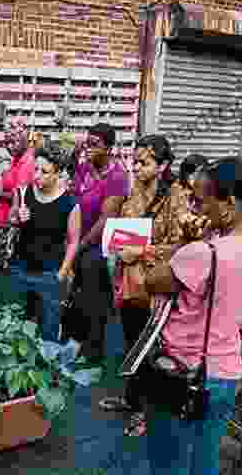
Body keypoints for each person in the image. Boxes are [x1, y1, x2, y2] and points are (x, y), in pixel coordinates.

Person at [140, 157, 242, 475]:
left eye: (202, 200)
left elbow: (152, 279)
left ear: (230, 203)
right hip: (225, 373)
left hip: (185, 374)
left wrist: (187, 242)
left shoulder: (202, 253)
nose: (196, 208)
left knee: (168, 462)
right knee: (204, 460)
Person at [98, 134, 188, 437]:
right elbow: (126, 228)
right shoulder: (134, 190)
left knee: (147, 351)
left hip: (154, 285)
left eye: (144, 163)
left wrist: (142, 252)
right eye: (134, 162)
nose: (136, 168)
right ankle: (130, 399)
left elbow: (180, 245)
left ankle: (142, 414)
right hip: (128, 281)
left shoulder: (176, 196)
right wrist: (119, 244)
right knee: (130, 344)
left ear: (162, 166)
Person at [63, 123, 131, 362]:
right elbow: (74, 189)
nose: (90, 148)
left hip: (99, 248)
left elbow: (106, 218)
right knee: (79, 294)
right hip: (79, 243)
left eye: (95, 144)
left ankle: (94, 351)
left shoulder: (117, 177)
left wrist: (79, 245)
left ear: (109, 148)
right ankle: (78, 342)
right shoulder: (84, 168)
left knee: (94, 300)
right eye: (87, 142)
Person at [8, 146, 81, 342]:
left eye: (44, 171)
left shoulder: (70, 204)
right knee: (15, 327)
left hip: (50, 274)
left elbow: (74, 241)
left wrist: (63, 273)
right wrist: (17, 218)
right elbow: (11, 217)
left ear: (58, 173)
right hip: (21, 269)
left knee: (48, 331)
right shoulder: (24, 193)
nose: (37, 175)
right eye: (35, 169)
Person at [0, 116, 36, 227]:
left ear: (24, 140)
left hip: (16, 223)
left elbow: (21, 196)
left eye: (14, 142)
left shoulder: (27, 162)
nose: (9, 146)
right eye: (6, 143)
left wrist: (1, 193)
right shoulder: (16, 159)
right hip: (6, 220)